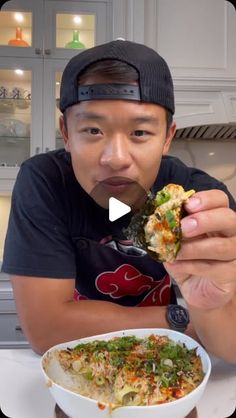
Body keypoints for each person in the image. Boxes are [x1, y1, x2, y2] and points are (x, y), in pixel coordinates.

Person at [2, 40, 236, 361]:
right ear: (66, 134)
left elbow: (231, 348)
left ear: (168, 137)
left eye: (140, 133)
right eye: (93, 130)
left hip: (165, 368)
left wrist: (212, 307)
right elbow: (47, 329)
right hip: (75, 370)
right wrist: (180, 318)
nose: (115, 159)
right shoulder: (46, 181)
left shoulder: (199, 199)